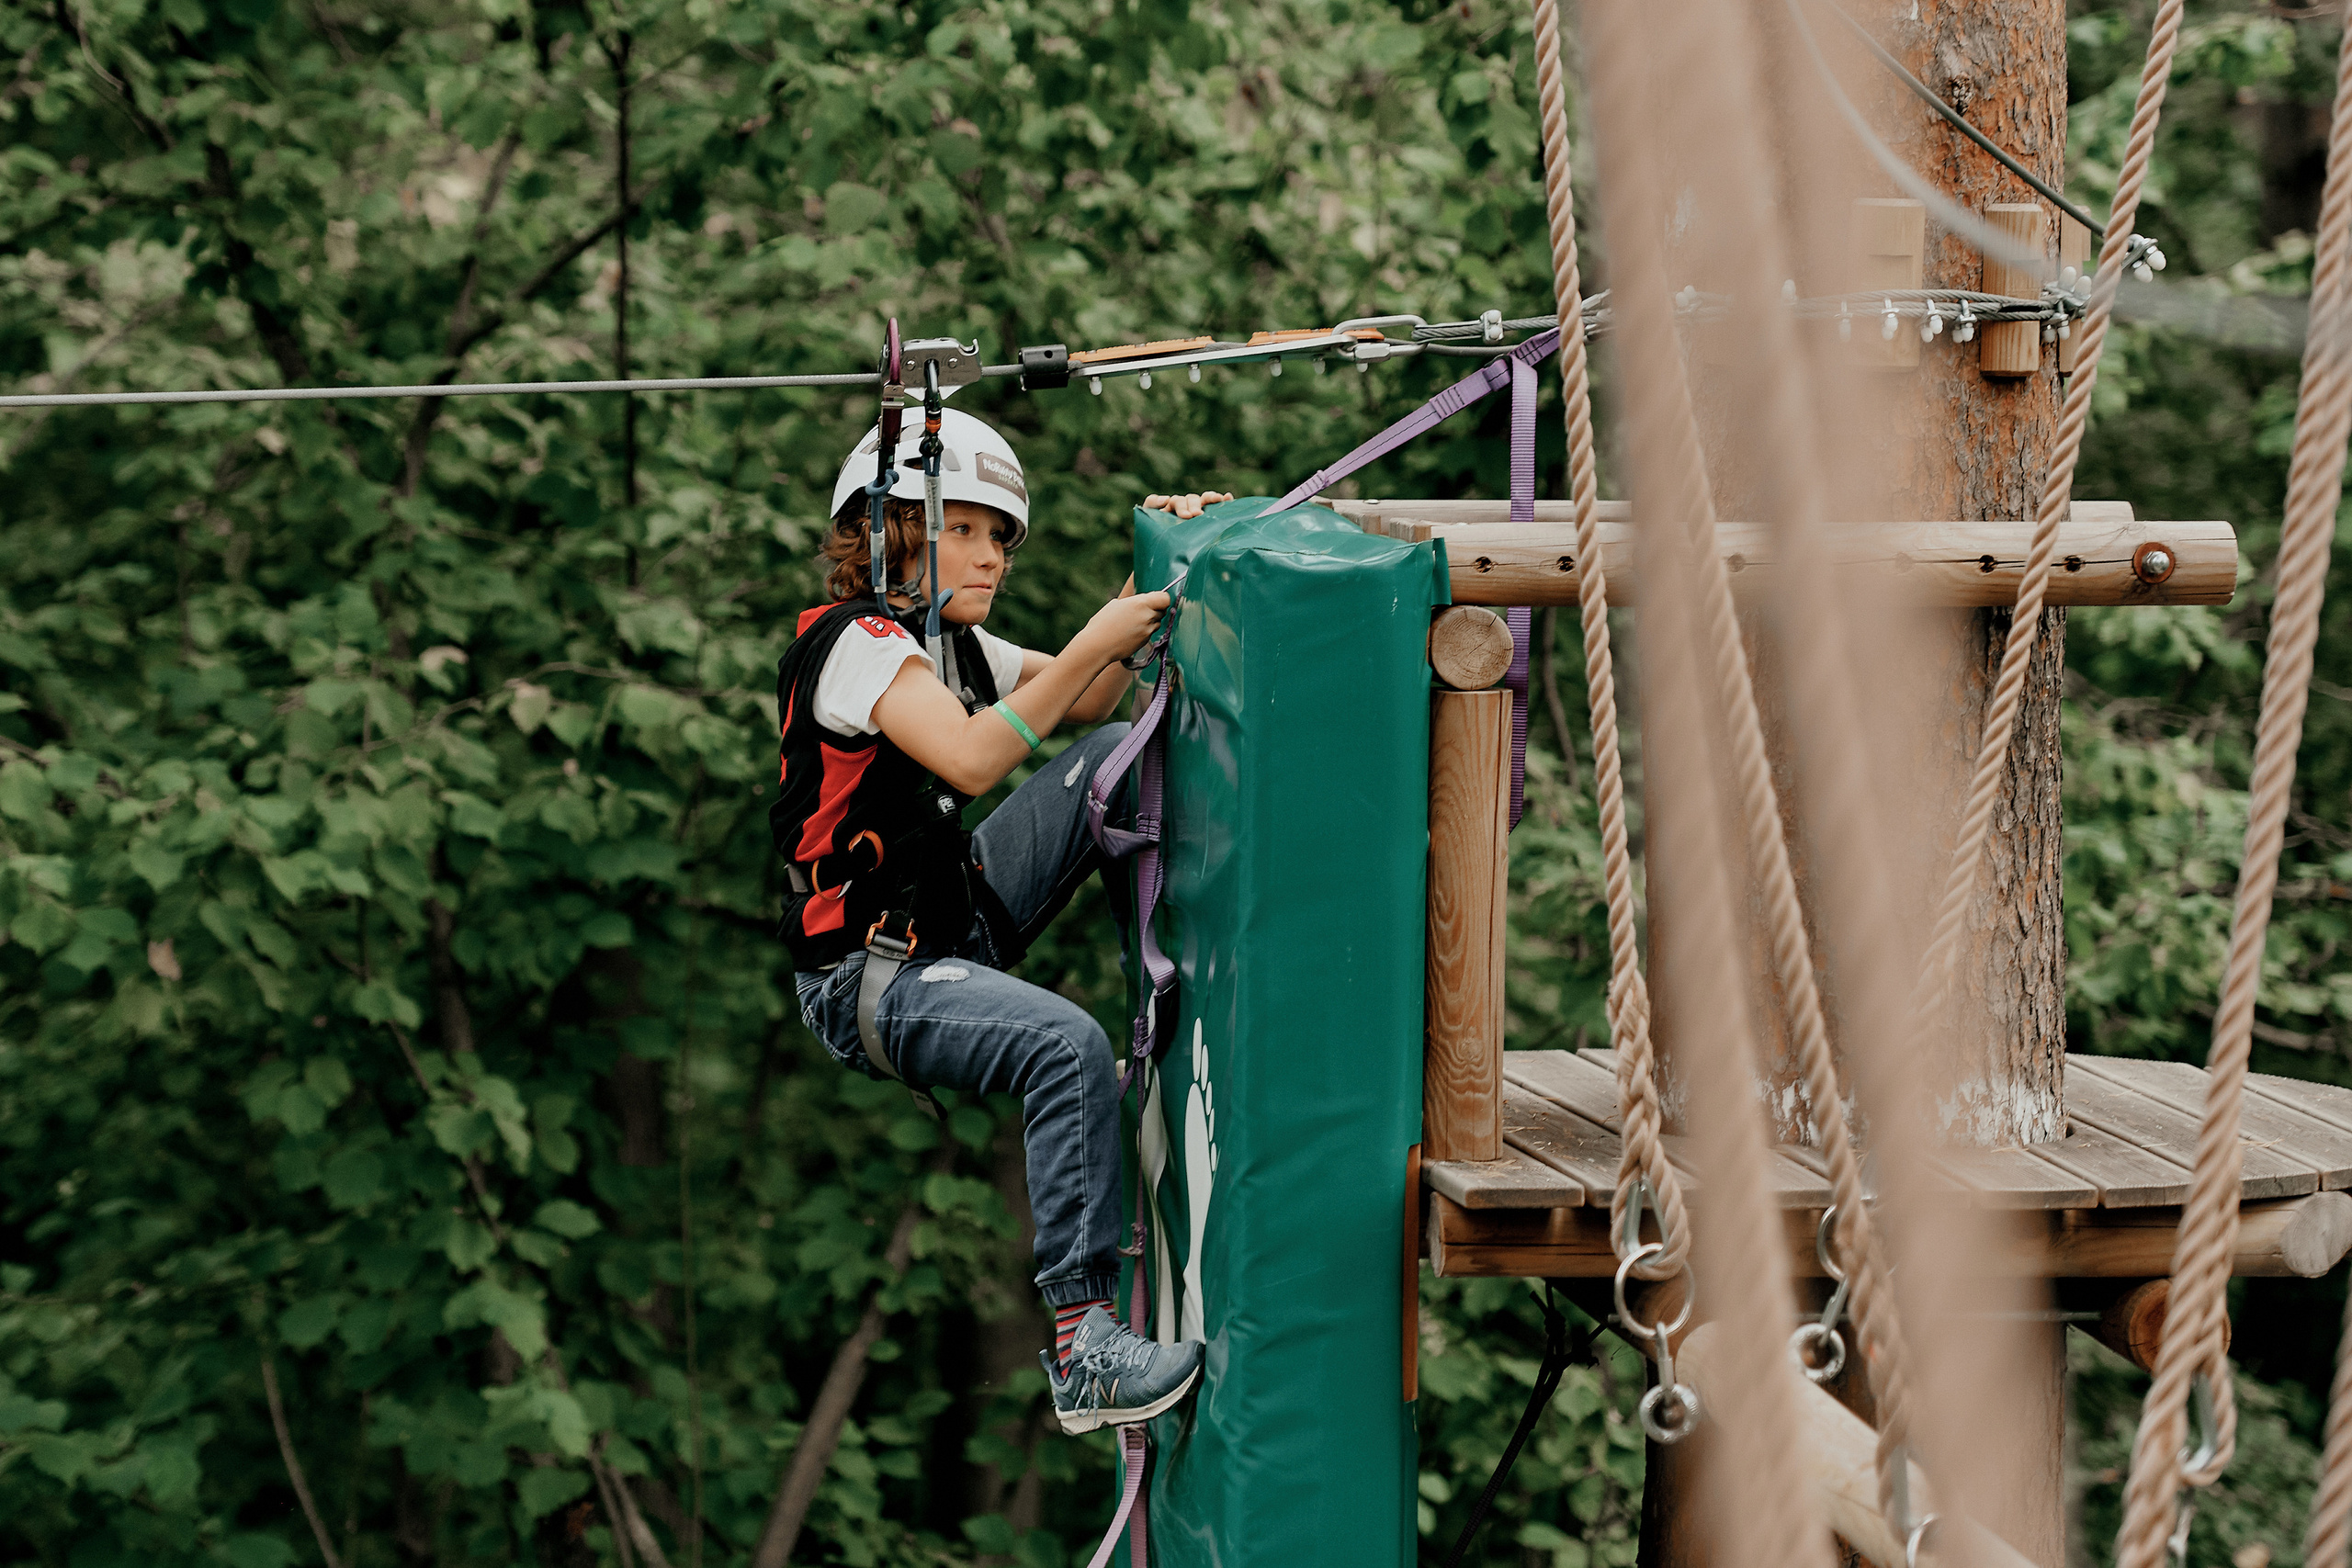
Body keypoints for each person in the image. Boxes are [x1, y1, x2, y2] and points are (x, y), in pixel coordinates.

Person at [771, 403, 1231, 1434]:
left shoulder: (950, 644)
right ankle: (1083, 1349)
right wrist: (1093, 641)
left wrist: (1161, 564)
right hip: (868, 978)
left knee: (1101, 758)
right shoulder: (858, 648)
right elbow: (974, 756)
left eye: (1000, 538)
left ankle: (1188, 943)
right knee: (1063, 1046)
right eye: (966, 529)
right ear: (888, 525)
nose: (993, 557)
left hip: (948, 917)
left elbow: (1086, 695)